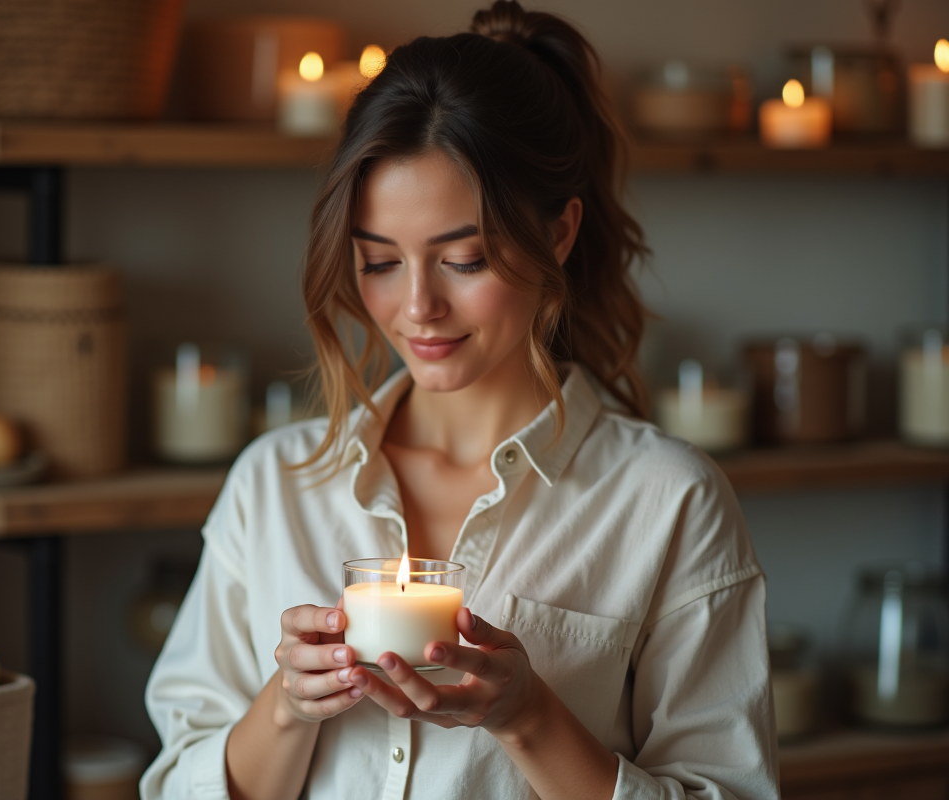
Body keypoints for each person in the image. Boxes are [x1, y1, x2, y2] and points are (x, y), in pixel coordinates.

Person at [141, 2, 778, 798]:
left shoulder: (669, 501)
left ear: (558, 234)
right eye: (380, 262)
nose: (418, 308)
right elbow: (177, 780)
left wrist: (529, 718)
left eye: (464, 260)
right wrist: (287, 708)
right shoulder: (273, 486)